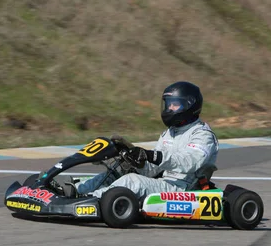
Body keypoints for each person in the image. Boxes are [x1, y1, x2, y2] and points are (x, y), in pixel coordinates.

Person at [72, 81, 220, 200]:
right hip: (164, 182)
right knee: (117, 173)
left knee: (131, 181)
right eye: (168, 104)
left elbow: (189, 162)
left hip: (183, 189)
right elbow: (153, 169)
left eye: (175, 104)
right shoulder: (170, 132)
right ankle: (74, 192)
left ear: (189, 105)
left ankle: (91, 200)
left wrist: (152, 155)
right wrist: (134, 158)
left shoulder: (203, 135)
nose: (169, 108)